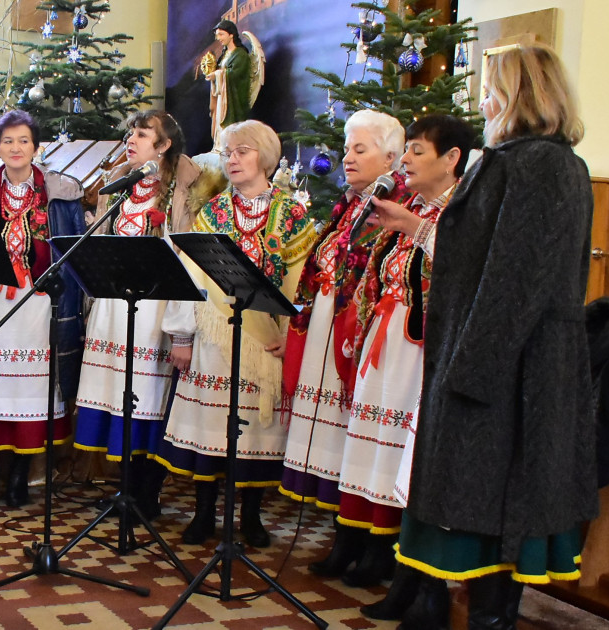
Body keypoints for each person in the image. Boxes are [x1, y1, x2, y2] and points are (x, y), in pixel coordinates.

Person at [394, 43, 595, 630]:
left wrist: (470, 371)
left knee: (500, 509)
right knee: (476, 509)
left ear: (520, 95)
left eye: (491, 89)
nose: (481, 100)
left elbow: (518, 279)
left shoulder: (543, 165)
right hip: (489, 357)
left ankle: (493, 619)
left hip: (511, 370)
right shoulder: (509, 161)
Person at [334, 115, 474, 625]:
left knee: (416, 467)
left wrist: (415, 229)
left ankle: (419, 584)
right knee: (387, 463)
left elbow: (465, 273)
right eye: (406, 150)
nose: (407, 161)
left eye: (416, 151)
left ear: (451, 158)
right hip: (391, 342)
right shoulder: (417, 207)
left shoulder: (463, 209)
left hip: (426, 354)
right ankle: (398, 573)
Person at [155, 120, 314, 547]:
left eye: (242, 150)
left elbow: (303, 280)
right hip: (213, 336)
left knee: (255, 430)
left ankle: (251, 516)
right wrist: (182, 336)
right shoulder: (212, 213)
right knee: (210, 424)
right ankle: (204, 512)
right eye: (227, 152)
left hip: (265, 338)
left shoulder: (292, 214)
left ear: (264, 156)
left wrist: (292, 330)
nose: (232, 159)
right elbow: (192, 277)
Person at [279, 109, 412, 578]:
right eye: (347, 149)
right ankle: (345, 539)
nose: (348, 158)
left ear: (392, 157)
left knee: (359, 436)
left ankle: (373, 549)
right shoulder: (352, 201)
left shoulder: (398, 205)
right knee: (338, 436)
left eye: (361, 149)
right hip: (326, 322)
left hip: (359, 334)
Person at [0, 110, 87, 509]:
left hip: (40, 306)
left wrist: (67, 311)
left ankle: (21, 476)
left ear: (36, 147)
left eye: (23, 140)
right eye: (7, 141)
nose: (16, 148)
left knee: (32, 388)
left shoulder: (61, 192)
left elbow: (74, 259)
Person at [73, 111, 201, 518]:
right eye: (131, 132)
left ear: (163, 146)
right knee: (116, 395)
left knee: (147, 398)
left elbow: (187, 261)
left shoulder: (183, 193)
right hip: (113, 310)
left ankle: (147, 493)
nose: (132, 139)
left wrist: (181, 331)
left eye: (143, 134)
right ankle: (124, 488)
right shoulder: (118, 189)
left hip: (154, 313)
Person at [206, 20, 253, 144]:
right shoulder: (225, 55)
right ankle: (219, 146)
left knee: (230, 128)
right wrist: (214, 75)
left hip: (233, 100)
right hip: (222, 98)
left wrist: (217, 75)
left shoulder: (240, 54)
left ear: (231, 34)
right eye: (217, 35)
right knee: (219, 126)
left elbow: (237, 74)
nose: (218, 38)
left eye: (221, 34)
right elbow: (223, 72)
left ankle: (228, 147)